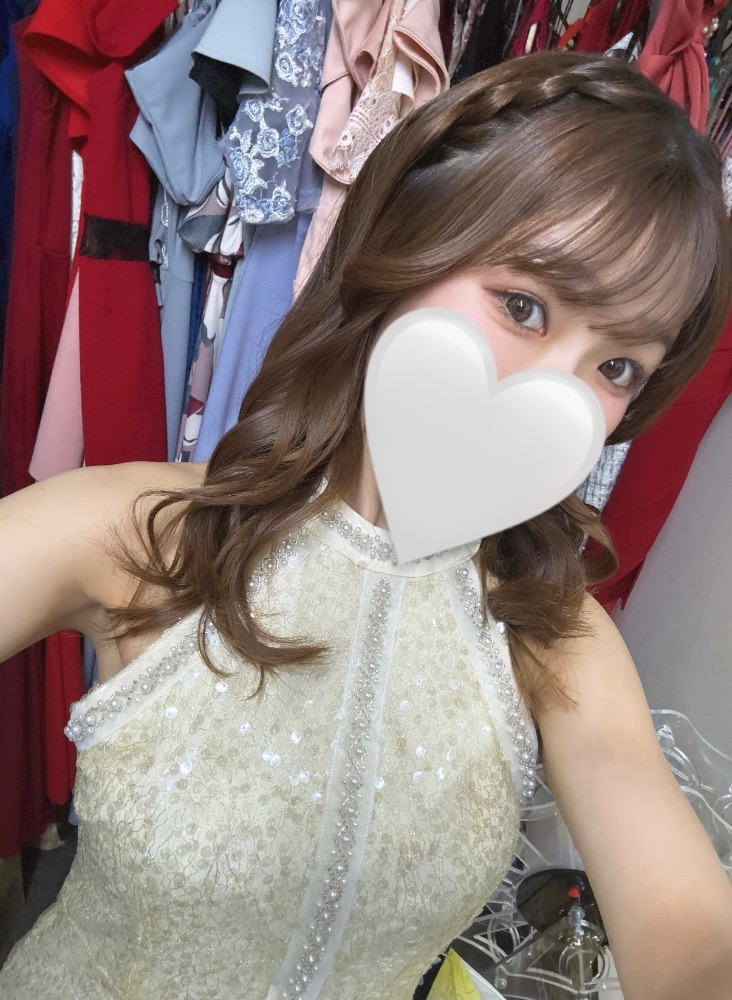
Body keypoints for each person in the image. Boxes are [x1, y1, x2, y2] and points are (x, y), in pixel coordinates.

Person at [1, 50, 731, 1000]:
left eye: (617, 366)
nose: (562, 399)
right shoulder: (146, 534)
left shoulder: (552, 638)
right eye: (523, 306)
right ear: (407, 247)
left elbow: (690, 937)